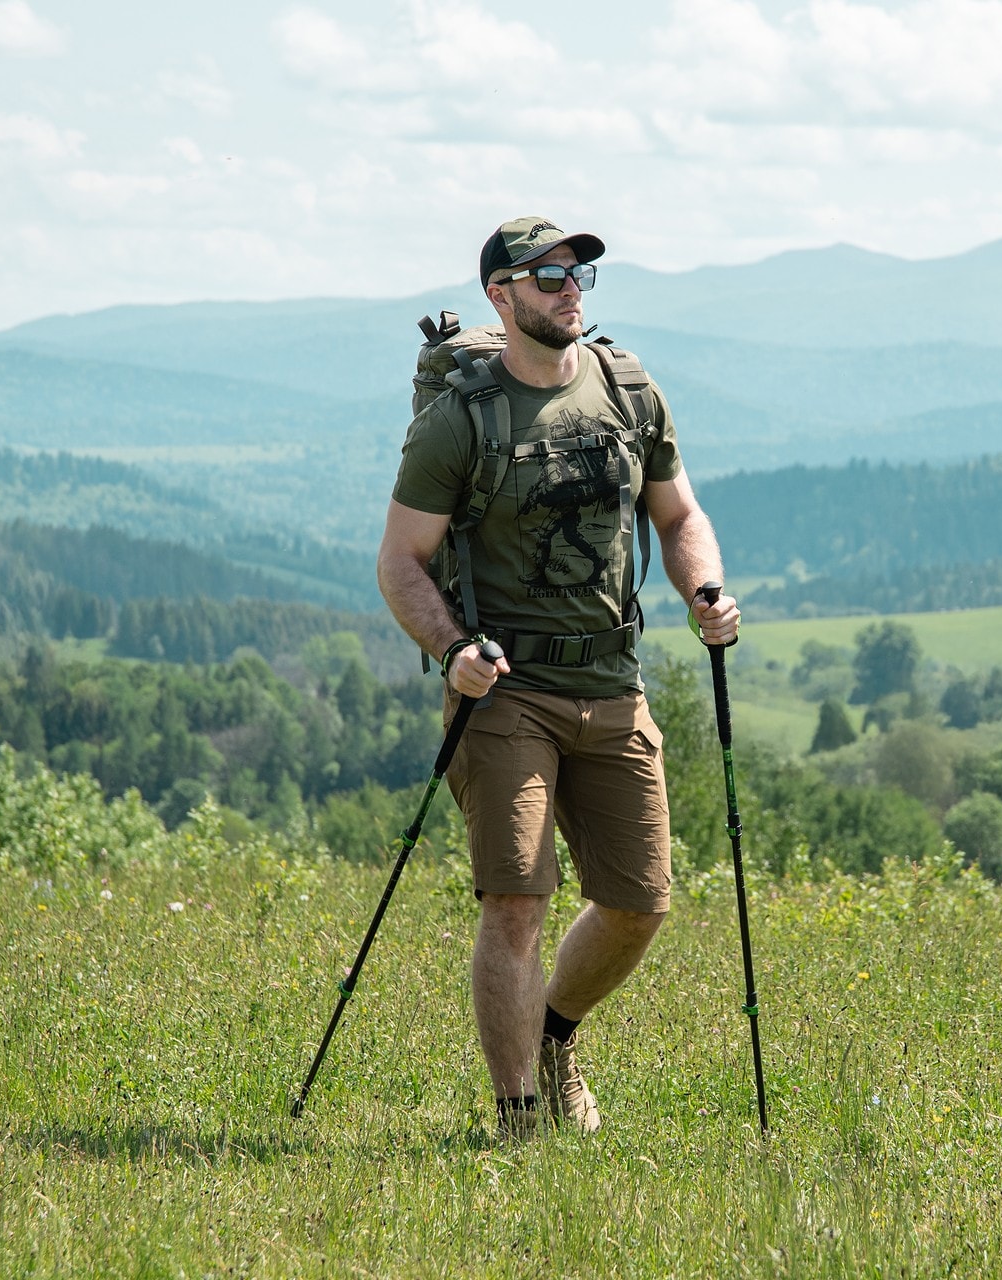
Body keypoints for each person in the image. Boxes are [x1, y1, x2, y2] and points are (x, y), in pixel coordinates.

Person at [378, 215, 740, 1137]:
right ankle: (519, 1119)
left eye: (577, 273)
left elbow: (679, 509)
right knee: (517, 899)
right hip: (506, 692)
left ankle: (554, 1034)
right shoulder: (462, 421)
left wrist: (705, 586)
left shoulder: (627, 389)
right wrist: (454, 648)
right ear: (502, 296)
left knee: (638, 903)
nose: (568, 288)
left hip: (614, 684)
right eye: (545, 277)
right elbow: (401, 561)